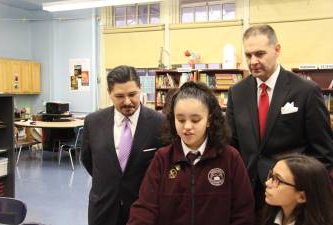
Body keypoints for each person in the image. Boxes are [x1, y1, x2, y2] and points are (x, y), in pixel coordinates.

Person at [226, 24, 333, 207]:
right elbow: (232, 146)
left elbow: (324, 153)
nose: (253, 61)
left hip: (291, 197)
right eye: (248, 55)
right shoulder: (237, 92)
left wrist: (301, 191)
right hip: (248, 195)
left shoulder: (306, 91)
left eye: (259, 54)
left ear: (277, 50)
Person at [127, 82, 255, 225]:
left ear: (209, 120)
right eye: (181, 120)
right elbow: (145, 209)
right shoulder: (162, 158)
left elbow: (243, 212)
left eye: (195, 120)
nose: (187, 126)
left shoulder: (230, 158)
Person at [81, 65, 164, 225]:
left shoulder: (159, 123)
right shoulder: (93, 122)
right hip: (102, 209)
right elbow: (88, 160)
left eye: (132, 94)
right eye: (119, 96)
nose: (127, 102)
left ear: (140, 89)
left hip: (143, 211)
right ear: (109, 93)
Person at [261, 153, 333, 225]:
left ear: (302, 197)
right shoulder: (271, 215)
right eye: (271, 175)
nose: (267, 183)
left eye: (278, 180)